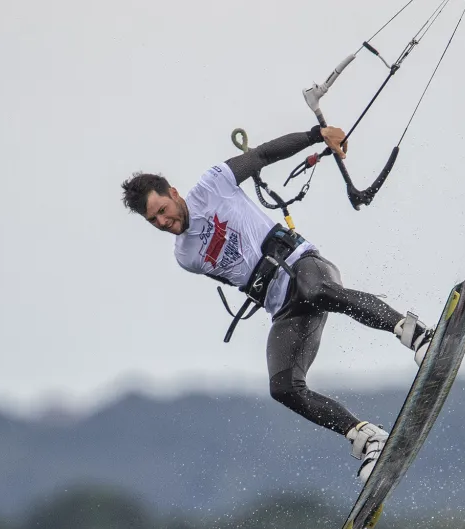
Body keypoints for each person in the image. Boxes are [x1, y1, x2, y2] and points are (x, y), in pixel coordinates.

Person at [120, 125, 434, 482]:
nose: (163, 222)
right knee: (283, 387)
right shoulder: (185, 256)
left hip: (304, 266)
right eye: (153, 221)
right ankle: (366, 437)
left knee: (318, 292)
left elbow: (263, 155)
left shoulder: (213, 185)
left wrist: (317, 135)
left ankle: (418, 335)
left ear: (173, 193)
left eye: (162, 209)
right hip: (283, 306)